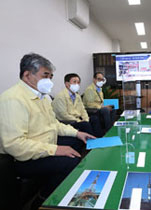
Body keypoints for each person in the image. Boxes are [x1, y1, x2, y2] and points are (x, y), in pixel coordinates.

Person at [0, 53, 95, 209]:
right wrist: (56, 149)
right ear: (27, 75)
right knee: (69, 161)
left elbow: (55, 125)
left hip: (44, 145)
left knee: (78, 141)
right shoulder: (13, 99)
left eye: (51, 77)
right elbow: (15, 145)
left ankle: (55, 182)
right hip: (22, 159)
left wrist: (78, 133)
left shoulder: (43, 96)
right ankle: (42, 201)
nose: (49, 81)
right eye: (45, 76)